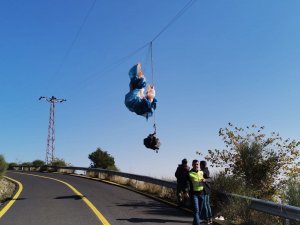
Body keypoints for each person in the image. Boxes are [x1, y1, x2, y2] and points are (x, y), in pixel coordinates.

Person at [187, 159, 205, 225]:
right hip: (194, 194)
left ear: (199, 165)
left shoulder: (201, 172)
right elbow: (187, 183)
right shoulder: (189, 173)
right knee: (196, 210)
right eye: (194, 164)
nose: (196, 165)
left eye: (197, 164)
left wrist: (205, 180)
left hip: (201, 193)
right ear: (192, 165)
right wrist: (186, 191)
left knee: (199, 211)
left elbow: (210, 179)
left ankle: (195, 223)